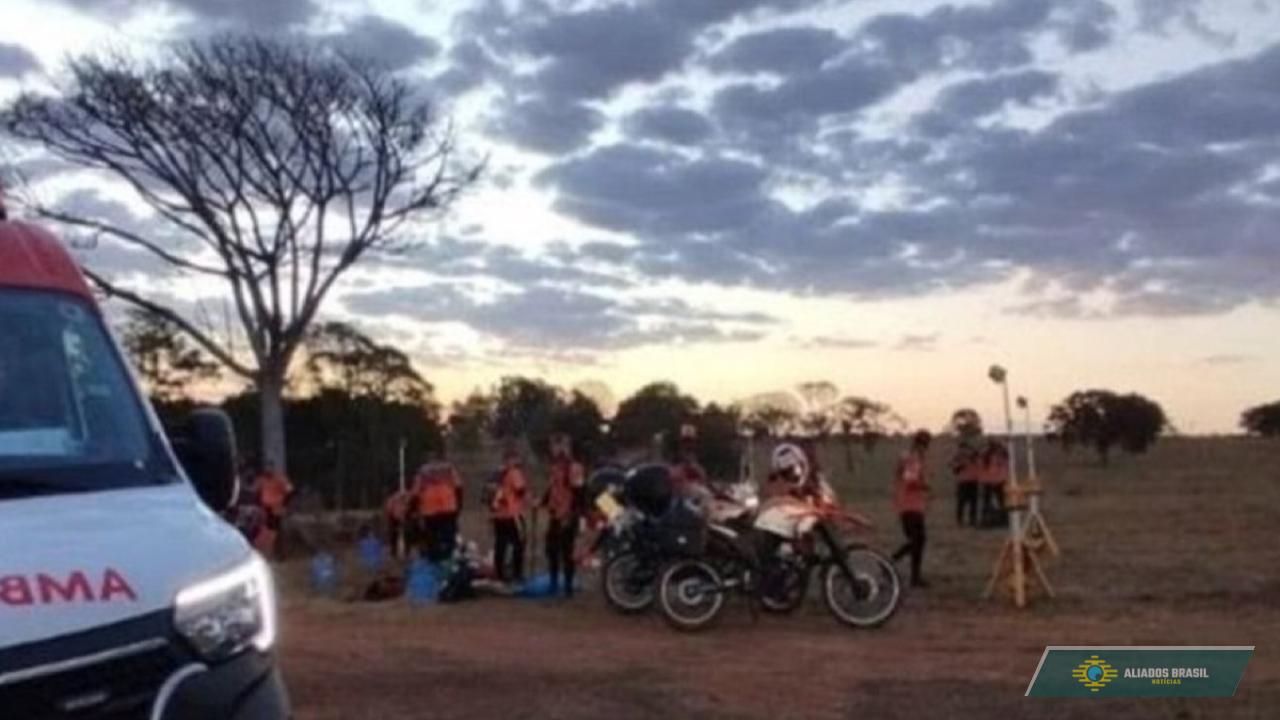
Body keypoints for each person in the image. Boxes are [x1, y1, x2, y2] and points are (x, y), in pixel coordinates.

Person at [540, 433, 585, 597]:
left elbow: (579, 493)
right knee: (551, 549)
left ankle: (568, 587)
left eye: (556, 446)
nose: (553, 449)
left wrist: (572, 514)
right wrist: (542, 502)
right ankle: (553, 583)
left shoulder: (574, 468)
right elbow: (552, 488)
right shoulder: (555, 467)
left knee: (567, 551)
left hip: (567, 515)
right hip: (555, 513)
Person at [891, 430, 932, 588]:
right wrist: (925, 486)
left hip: (910, 504)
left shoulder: (909, 456)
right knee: (918, 540)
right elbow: (910, 480)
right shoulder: (913, 458)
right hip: (910, 504)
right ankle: (893, 562)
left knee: (917, 541)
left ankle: (913, 576)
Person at [489, 448, 528, 584]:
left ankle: (499, 573)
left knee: (500, 544)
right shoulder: (513, 472)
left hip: (497, 514)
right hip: (512, 513)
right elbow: (520, 489)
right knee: (519, 542)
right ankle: (517, 574)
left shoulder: (495, 473)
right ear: (510, 459)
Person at [416, 459, 463, 563]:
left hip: (429, 508)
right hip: (448, 506)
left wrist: (414, 508)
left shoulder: (423, 470)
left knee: (431, 538)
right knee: (449, 536)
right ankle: (448, 560)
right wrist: (459, 504)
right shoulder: (449, 468)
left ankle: (434, 562)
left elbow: (416, 491)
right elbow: (458, 485)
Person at [255, 460, 294, 561]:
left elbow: (290, 491)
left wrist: (284, 505)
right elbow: (256, 491)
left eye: (270, 467)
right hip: (265, 509)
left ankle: (273, 555)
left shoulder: (280, 478)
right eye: (266, 467)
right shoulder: (262, 480)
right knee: (266, 532)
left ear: (273, 468)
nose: (268, 469)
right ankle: (270, 554)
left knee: (273, 532)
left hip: (276, 509)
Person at [669, 424, 708, 495]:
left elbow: (703, 476)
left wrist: (695, 468)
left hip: (695, 490)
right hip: (682, 491)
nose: (688, 444)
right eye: (686, 441)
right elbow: (673, 475)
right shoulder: (676, 457)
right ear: (681, 441)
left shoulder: (697, 457)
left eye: (690, 441)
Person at [979, 440, 1010, 527]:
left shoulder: (1000, 455)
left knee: (1001, 502)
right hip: (991, 481)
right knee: (991, 502)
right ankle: (987, 519)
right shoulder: (987, 455)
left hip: (995, 481)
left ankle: (1002, 519)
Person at [952, 444, 982, 527]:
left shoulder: (975, 457)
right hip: (963, 481)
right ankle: (960, 520)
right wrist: (961, 465)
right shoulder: (959, 457)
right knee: (961, 502)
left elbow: (980, 465)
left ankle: (972, 520)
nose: (966, 452)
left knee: (973, 502)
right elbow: (954, 470)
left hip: (973, 480)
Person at [383, 487, 413, 559]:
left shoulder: (407, 497)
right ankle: (395, 552)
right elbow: (389, 510)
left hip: (403, 516)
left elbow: (408, 508)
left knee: (406, 534)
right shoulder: (393, 499)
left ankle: (405, 552)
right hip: (395, 517)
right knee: (395, 534)